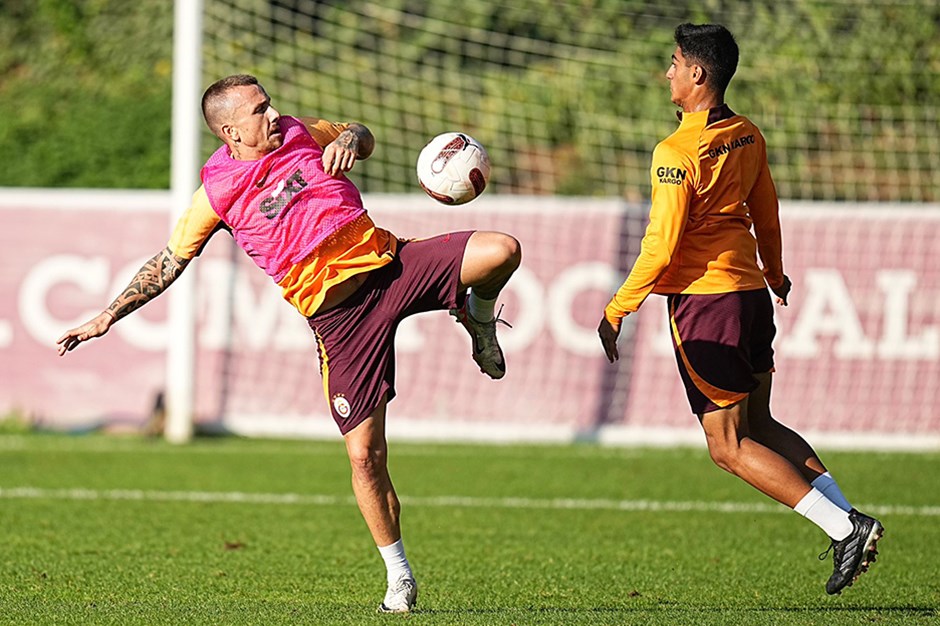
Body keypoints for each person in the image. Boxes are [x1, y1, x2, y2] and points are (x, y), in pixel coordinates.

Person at [57, 74, 521, 613]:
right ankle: (399, 574)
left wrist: (351, 139)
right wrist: (108, 315)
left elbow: (362, 135)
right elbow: (167, 262)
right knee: (365, 457)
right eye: (259, 109)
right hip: (340, 322)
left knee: (502, 250)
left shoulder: (303, 130)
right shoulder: (216, 193)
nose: (274, 114)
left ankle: (477, 316)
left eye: (270, 103)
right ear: (230, 130)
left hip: (391, 266)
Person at [597, 24, 883, 595]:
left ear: (699, 74)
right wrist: (774, 274)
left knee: (727, 446)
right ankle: (851, 521)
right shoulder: (747, 134)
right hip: (750, 294)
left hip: (707, 304)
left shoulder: (676, 151)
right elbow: (766, 211)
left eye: (675, 62)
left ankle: (846, 526)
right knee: (760, 424)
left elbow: (663, 242)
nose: (668, 72)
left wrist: (618, 306)